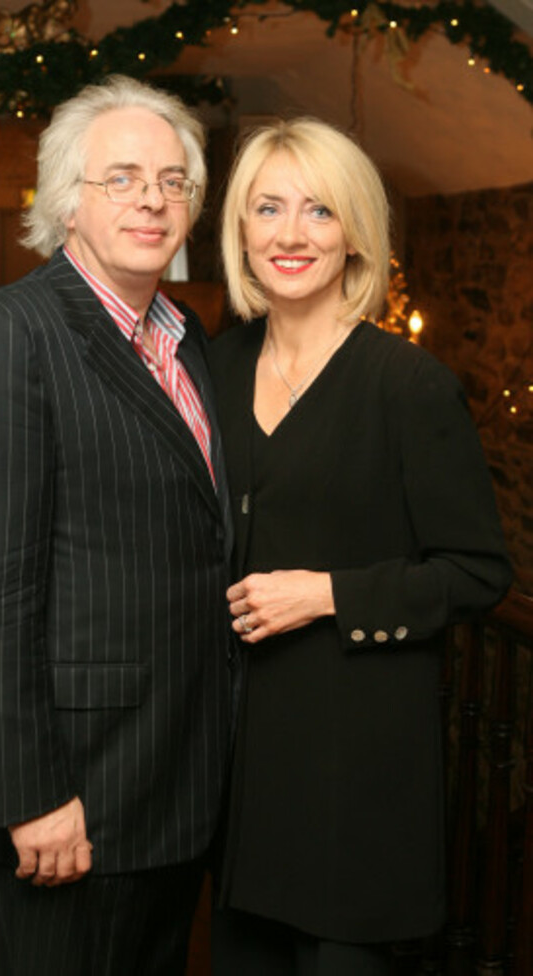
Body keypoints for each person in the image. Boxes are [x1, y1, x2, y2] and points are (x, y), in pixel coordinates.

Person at [0, 74, 235, 976]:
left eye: (174, 181)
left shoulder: (184, 337)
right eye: (123, 177)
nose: (153, 199)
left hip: (170, 783)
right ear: (67, 200)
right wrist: (33, 796)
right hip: (71, 798)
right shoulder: (6, 336)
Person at [207, 118, 513, 976]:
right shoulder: (214, 369)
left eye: (319, 210)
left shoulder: (407, 386)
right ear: (240, 230)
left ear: (354, 234)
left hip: (355, 772)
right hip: (239, 776)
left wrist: (331, 593)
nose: (291, 234)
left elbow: (479, 572)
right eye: (268, 208)